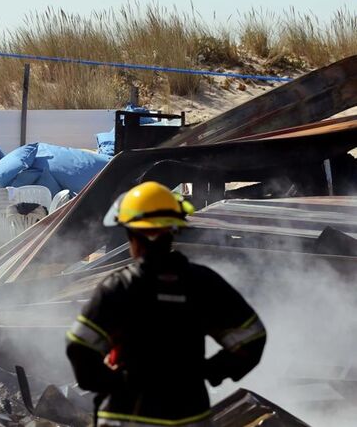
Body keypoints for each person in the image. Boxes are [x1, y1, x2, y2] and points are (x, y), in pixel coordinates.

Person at [65, 181, 266, 427]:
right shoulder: (203, 284)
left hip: (126, 416)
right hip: (189, 415)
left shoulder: (119, 288)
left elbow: (79, 347)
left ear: (132, 235)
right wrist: (208, 371)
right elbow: (252, 338)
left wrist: (115, 383)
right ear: (173, 231)